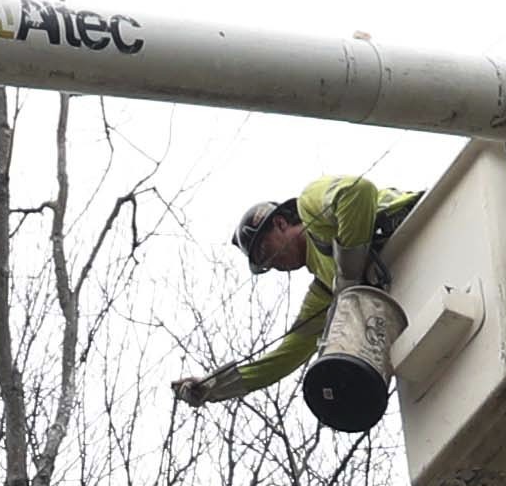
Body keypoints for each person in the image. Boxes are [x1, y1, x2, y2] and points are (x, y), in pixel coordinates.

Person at [174, 175, 424, 429]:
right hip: (421, 283)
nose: (271, 264)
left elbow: (356, 191)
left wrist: (349, 276)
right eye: (264, 265)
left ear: (281, 223)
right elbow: (285, 357)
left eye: (265, 252)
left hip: (424, 227)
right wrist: (213, 387)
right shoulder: (325, 291)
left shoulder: (311, 206)